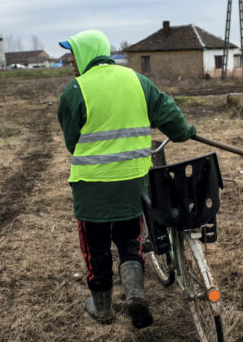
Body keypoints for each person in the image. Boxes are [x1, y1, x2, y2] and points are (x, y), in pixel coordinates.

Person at [56, 30, 196, 329]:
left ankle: (103, 308)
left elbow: (72, 142)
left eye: (73, 53)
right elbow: (167, 112)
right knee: (130, 240)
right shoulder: (137, 81)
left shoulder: (74, 91)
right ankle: (135, 293)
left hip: (92, 186)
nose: (70, 60)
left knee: (95, 247)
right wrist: (184, 131)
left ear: (86, 54)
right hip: (133, 181)